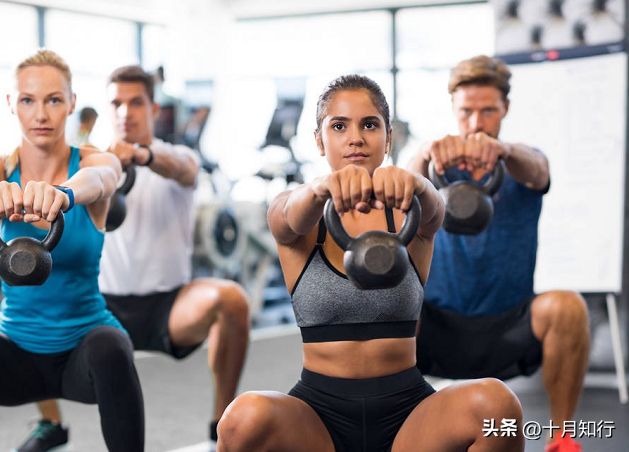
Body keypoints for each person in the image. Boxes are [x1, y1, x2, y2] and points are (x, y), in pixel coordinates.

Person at [217, 74, 524, 452]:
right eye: (339, 125)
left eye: (369, 124)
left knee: (498, 409)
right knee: (241, 419)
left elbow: (436, 210)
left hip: (408, 413)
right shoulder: (299, 212)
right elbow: (286, 216)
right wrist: (320, 189)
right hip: (318, 418)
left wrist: (417, 184)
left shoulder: (410, 213)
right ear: (319, 139)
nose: (355, 138)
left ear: (388, 137)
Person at [21, 65, 250, 452]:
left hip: (169, 306)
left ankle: (221, 426)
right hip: (102, 309)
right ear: (106, 110)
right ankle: (51, 425)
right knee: (26, 298)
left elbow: (184, 169)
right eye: (117, 103)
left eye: (136, 102)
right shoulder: (86, 165)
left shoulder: (175, 156)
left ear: (153, 108)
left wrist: (142, 156)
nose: (126, 112)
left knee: (232, 300)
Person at [0, 49, 144, 452]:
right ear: (12, 104)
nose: (40, 114)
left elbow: (104, 177)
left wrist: (64, 194)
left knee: (111, 347)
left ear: (71, 104)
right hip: (15, 355)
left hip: (86, 356)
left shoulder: (92, 163)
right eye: (28, 100)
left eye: (53, 100)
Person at [406, 55, 589, 452]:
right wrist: (425, 152)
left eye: (488, 110)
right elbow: (403, 183)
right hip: (437, 329)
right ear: (454, 110)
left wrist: (502, 150)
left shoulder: (521, 162)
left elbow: (538, 169)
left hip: (509, 328)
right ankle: (392, 429)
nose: (476, 123)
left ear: (505, 108)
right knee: (391, 303)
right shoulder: (432, 168)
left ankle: (561, 440)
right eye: (466, 112)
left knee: (568, 307)